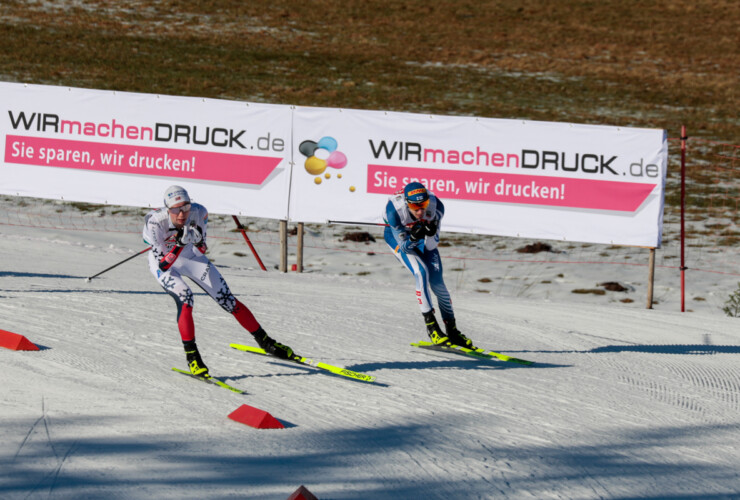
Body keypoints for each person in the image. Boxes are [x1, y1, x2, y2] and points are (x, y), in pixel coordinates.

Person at [143, 185, 293, 377]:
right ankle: (193, 357)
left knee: (228, 299)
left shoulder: (199, 212)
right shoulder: (154, 222)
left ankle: (266, 342)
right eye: (175, 210)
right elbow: (163, 265)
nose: (182, 214)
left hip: (190, 257)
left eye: (185, 207)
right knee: (185, 296)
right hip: (164, 262)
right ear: (167, 209)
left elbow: (202, 250)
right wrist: (179, 244)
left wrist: (197, 241)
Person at [383, 182, 474, 348]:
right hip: (398, 237)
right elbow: (404, 247)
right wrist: (413, 237)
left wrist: (429, 232)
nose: (420, 211)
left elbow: (431, 246)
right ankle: (432, 327)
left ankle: (452, 330)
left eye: (423, 205)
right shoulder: (393, 211)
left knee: (438, 283)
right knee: (421, 272)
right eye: (415, 207)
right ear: (406, 204)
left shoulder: (437, 206)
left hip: (420, 236)